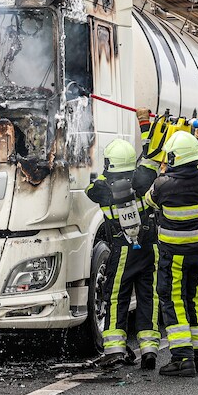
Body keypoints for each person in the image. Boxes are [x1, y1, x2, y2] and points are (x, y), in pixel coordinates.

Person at [139, 113, 198, 377]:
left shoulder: (163, 186)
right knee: (194, 299)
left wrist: (156, 157)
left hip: (174, 255)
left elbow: (148, 200)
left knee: (172, 301)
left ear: (172, 159)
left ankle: (183, 359)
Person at [85, 138, 160, 370]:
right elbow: (150, 164)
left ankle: (115, 348)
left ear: (109, 164)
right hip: (149, 249)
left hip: (123, 250)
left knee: (117, 297)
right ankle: (149, 349)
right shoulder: (143, 181)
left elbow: (90, 189)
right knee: (149, 298)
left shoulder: (102, 190)